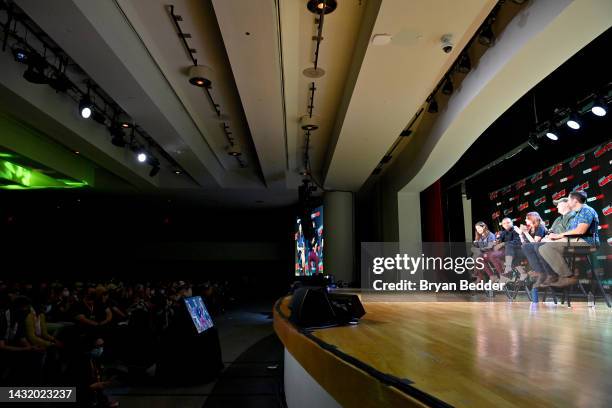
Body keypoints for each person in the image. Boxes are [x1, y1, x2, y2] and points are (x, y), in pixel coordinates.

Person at [539, 191, 599, 287]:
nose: (568, 202)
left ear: (575, 201)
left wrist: (558, 236)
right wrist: (553, 239)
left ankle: (568, 277)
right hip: (575, 241)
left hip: (587, 242)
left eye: (569, 200)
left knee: (547, 247)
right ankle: (564, 275)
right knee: (543, 247)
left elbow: (580, 231)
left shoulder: (586, 210)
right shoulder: (577, 214)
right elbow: (569, 234)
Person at [516, 212, 550, 286]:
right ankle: (524, 274)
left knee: (525, 249)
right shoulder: (531, 228)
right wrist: (521, 234)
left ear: (532, 219)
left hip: (540, 250)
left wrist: (525, 232)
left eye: (527, 218)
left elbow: (534, 243)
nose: (525, 220)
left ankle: (536, 272)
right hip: (531, 251)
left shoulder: (540, 227)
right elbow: (524, 243)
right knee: (514, 255)